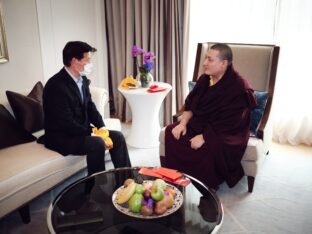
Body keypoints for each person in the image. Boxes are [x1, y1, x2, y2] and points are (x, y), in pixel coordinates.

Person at [165, 43, 257, 190]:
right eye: (205, 59)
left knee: (209, 146)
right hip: (202, 123)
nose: (204, 63)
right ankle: (177, 176)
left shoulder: (239, 86)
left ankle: (206, 184)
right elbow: (190, 105)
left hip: (227, 132)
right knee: (172, 132)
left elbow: (234, 122)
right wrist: (182, 124)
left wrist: (204, 137)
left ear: (223, 63)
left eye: (210, 60)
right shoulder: (204, 79)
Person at [43, 41, 131, 176]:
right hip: (61, 136)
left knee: (117, 137)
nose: (90, 64)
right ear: (74, 61)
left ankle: (127, 180)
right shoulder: (55, 86)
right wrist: (92, 134)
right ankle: (96, 189)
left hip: (79, 130)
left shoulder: (82, 80)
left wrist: (102, 128)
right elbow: (66, 123)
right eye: (88, 60)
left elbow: (90, 107)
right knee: (97, 143)